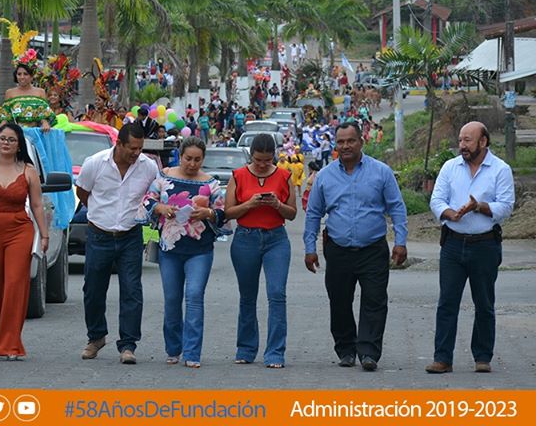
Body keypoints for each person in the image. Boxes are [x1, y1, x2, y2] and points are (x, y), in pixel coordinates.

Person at [303, 122, 408, 372]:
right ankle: (346, 350)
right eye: (340, 142)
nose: (345, 146)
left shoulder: (381, 172)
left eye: (351, 141)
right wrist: (310, 248)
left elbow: (396, 207)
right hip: (338, 250)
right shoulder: (325, 176)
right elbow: (313, 213)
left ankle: (369, 352)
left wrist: (401, 242)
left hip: (373, 249)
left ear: (361, 141)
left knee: (375, 300)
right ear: (335, 145)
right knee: (339, 302)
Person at [425, 122, 514, 374]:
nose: (462, 145)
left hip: (485, 245)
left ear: (483, 142)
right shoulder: (450, 167)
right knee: (447, 302)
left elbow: (506, 206)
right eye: (460, 140)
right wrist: (449, 213)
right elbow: (436, 199)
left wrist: (479, 207)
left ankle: (482, 357)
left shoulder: (500, 169)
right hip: (452, 244)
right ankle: (442, 358)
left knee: (484, 303)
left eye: (468, 140)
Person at [138, 137, 225, 368]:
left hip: (200, 250)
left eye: (197, 160)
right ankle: (173, 348)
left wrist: (207, 213)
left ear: (203, 159)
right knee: (172, 299)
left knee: (194, 296)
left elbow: (222, 213)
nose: (192, 164)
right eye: (188, 158)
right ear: (180, 155)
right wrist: (161, 207)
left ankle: (192, 352)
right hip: (170, 249)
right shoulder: (164, 176)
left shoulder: (211, 184)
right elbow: (147, 201)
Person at [76, 123, 157, 364]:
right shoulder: (95, 163)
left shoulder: (148, 167)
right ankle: (96, 337)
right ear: (119, 144)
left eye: (140, 148)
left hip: (131, 235)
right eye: (132, 148)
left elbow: (154, 195)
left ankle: (128, 345)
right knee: (93, 289)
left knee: (132, 290)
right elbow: (82, 193)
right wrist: (100, 213)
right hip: (99, 234)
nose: (136, 153)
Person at [0, 124, 48, 360]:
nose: (6, 143)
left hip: (19, 229)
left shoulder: (28, 171)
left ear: (19, 145)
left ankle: (10, 343)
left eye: (11, 140)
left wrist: (44, 235)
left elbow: (37, 205)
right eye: (3, 138)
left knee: (15, 284)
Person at [224, 134, 297, 368]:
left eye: (267, 160)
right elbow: (228, 212)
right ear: (251, 155)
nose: (263, 164)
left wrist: (277, 205)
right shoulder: (238, 176)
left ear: (274, 156)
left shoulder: (284, 176)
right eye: (258, 160)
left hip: (276, 239)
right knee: (247, 296)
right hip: (245, 238)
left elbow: (292, 213)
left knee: (277, 294)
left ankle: (275, 352)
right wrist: (249, 204)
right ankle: (246, 349)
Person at [0, 60, 54, 130]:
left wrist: (45, 123)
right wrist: (2, 124)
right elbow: (6, 114)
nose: (22, 77)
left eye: (25, 74)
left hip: (35, 132)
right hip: (16, 132)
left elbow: (44, 112)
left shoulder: (40, 92)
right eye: (19, 74)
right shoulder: (9, 92)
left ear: (32, 76)